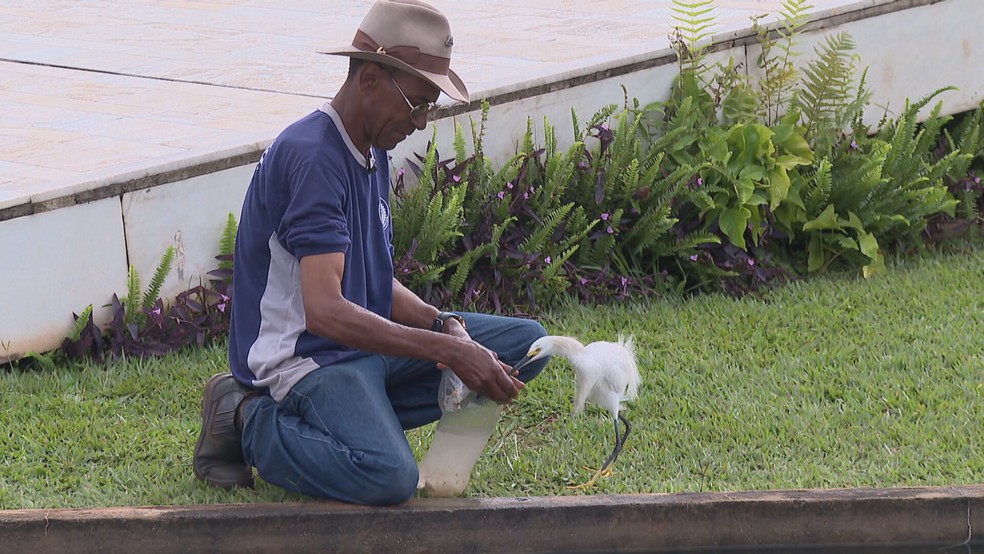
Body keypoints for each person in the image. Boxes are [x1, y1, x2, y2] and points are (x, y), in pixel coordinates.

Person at [192, 0, 549, 506]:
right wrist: (446, 352)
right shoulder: (313, 158)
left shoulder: (371, 147)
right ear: (370, 79)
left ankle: (361, 415)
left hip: (361, 351)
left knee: (528, 346)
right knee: (389, 477)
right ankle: (246, 416)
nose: (422, 123)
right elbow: (325, 312)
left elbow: (371, 280)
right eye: (417, 102)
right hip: (308, 360)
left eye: (431, 107)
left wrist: (442, 323)